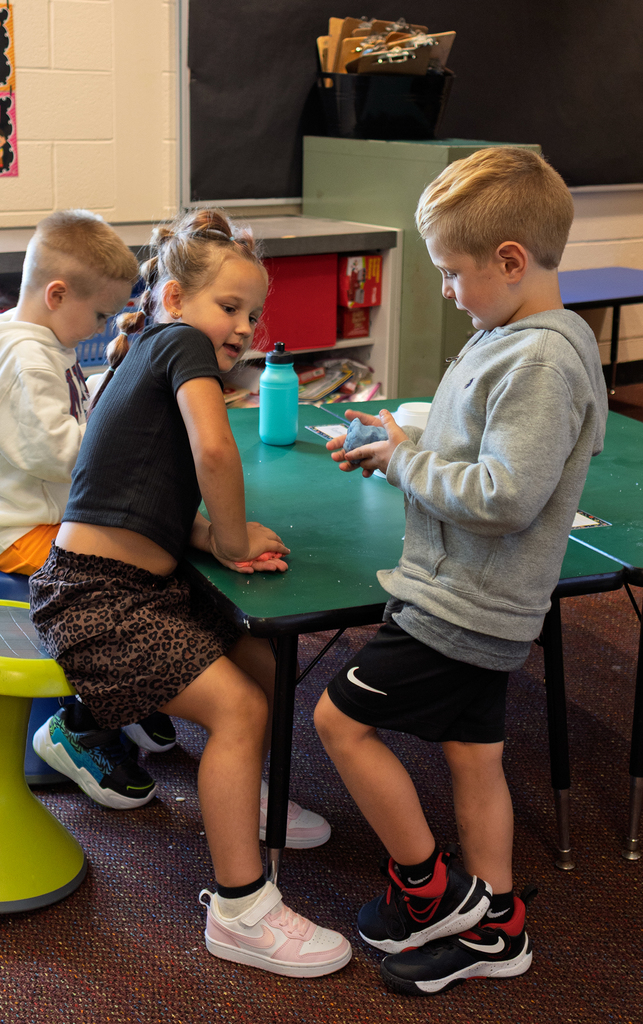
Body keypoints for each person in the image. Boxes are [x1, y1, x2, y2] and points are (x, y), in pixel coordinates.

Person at [313, 147, 608, 996]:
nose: (446, 289)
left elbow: (506, 496)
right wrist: (402, 445)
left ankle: (428, 893)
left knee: (338, 722)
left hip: (464, 603)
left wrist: (405, 464)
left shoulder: (540, 360)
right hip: (475, 593)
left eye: (450, 271)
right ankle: (497, 928)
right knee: (473, 757)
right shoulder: (508, 337)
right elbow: (477, 453)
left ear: (510, 260)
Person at [28, 208, 348, 977]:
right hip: (97, 598)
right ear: (174, 298)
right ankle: (240, 910)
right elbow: (213, 451)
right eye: (229, 307)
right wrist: (231, 540)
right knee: (239, 710)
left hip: (143, 582)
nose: (243, 327)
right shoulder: (179, 343)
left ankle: (244, 799)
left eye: (253, 314)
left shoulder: (150, 345)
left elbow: (137, 491)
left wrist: (208, 537)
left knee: (266, 663)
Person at [0, 209, 177, 804]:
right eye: (98, 315)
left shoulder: (41, 342)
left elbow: (68, 418)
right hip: (17, 528)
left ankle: (126, 695)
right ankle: (82, 727)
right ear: (57, 294)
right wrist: (127, 444)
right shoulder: (24, 360)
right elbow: (56, 452)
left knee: (154, 561)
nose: (102, 326)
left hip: (45, 515)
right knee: (114, 582)